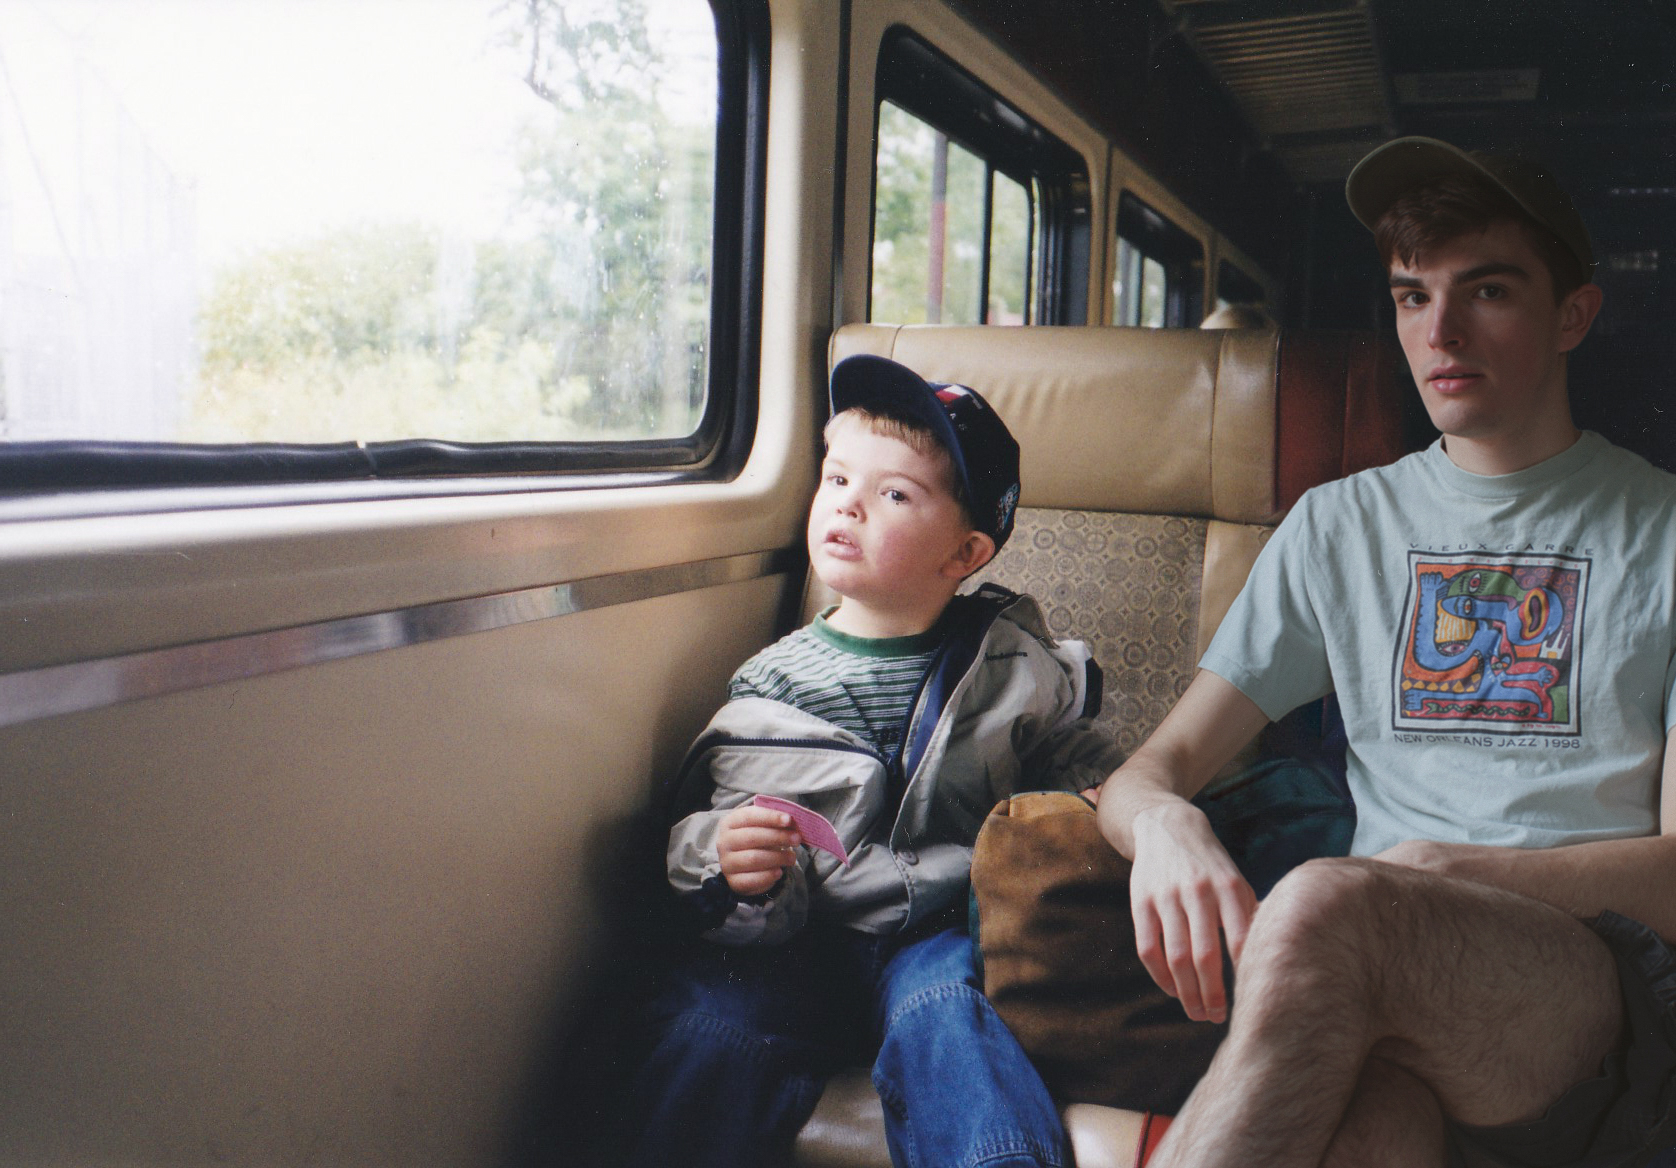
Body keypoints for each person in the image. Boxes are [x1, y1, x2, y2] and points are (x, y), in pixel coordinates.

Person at [1095, 135, 1676, 1167]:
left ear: (1570, 314)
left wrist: (1435, 869)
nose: (1439, 331)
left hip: (1589, 986)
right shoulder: (1336, 527)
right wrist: (1168, 826)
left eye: (1486, 289)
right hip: (1368, 980)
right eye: (1411, 296)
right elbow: (1146, 773)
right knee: (1368, 1129)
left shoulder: (1661, 530)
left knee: (1327, 900)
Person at [627, 354, 1125, 1168]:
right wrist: (729, 863)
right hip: (800, 937)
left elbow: (1074, 758)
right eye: (836, 478)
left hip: (942, 925)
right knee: (705, 1031)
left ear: (963, 554)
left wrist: (1099, 798)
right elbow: (704, 833)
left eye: (893, 494)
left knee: (951, 1022)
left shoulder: (1012, 665)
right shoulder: (772, 683)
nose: (848, 505)